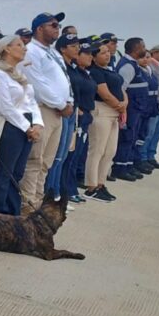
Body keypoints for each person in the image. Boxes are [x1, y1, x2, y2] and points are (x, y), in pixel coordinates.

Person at [18, 12, 72, 207]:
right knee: (35, 160)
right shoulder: (31, 51)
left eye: (58, 25)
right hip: (42, 110)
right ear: (39, 28)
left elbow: (64, 80)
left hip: (57, 111)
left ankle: (38, 201)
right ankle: (27, 204)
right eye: (53, 25)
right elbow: (37, 84)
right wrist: (61, 104)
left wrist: (68, 101)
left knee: (47, 162)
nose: (57, 29)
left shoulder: (53, 52)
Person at [0, 36, 43, 215]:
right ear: (7, 49)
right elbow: (5, 107)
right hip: (10, 125)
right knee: (6, 171)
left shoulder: (18, 74)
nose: (24, 48)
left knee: (18, 172)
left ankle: (13, 210)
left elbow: (31, 101)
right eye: (19, 45)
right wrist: (27, 127)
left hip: (25, 123)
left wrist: (37, 124)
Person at [85, 41, 126, 201]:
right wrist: (119, 105)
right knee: (97, 150)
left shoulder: (110, 70)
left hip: (115, 112)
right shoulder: (95, 72)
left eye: (108, 52)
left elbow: (121, 89)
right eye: (102, 52)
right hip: (102, 109)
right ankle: (91, 186)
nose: (107, 54)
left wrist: (124, 104)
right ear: (94, 57)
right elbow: (104, 93)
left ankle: (101, 183)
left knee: (110, 151)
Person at [44, 32, 82, 199]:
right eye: (73, 46)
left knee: (63, 155)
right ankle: (50, 194)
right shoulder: (57, 64)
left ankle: (56, 192)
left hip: (71, 110)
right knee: (56, 155)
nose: (78, 49)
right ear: (63, 49)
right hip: (60, 110)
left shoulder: (71, 66)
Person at [62, 39, 98, 203]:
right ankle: (67, 190)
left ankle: (71, 187)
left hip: (85, 116)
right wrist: (79, 110)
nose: (91, 57)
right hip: (76, 116)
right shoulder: (72, 71)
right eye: (87, 53)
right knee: (69, 156)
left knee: (76, 156)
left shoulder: (84, 72)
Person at [111, 38, 151, 182]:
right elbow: (121, 88)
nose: (145, 49)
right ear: (135, 49)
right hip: (131, 108)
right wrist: (123, 109)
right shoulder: (127, 66)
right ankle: (120, 167)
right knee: (127, 137)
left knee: (133, 137)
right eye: (143, 46)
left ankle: (128, 165)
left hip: (137, 107)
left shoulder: (134, 65)